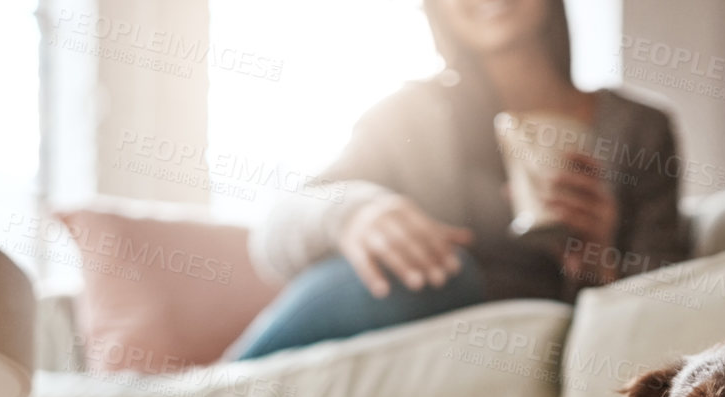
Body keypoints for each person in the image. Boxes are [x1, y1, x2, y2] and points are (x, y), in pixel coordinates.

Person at [232, 0, 688, 361]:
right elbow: (274, 234)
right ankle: (208, 394)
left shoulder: (639, 129)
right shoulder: (407, 115)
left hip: (547, 332)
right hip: (410, 324)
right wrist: (353, 213)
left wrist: (598, 261)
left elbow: (665, 310)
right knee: (438, 273)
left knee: (447, 276)